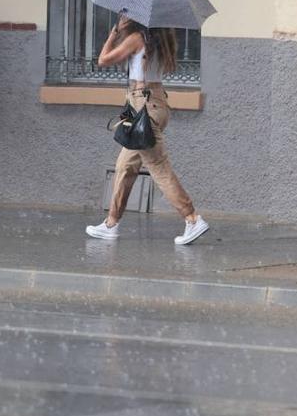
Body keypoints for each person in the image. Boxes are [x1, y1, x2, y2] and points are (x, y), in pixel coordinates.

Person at [85, 14, 209, 245]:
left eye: (128, 14)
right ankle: (111, 224)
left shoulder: (137, 38)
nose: (125, 16)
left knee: (158, 166)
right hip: (155, 103)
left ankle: (192, 218)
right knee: (125, 165)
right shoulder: (161, 39)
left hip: (144, 106)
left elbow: (103, 60)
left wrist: (114, 31)